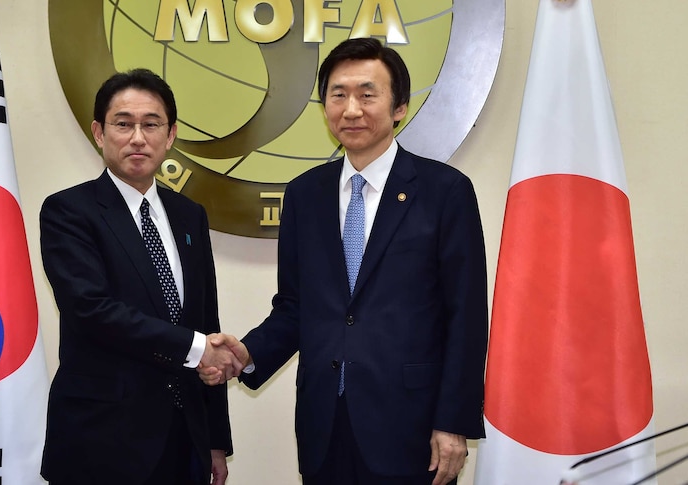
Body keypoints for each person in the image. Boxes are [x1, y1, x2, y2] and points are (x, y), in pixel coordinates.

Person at [201, 38, 489, 485]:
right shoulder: (304, 194)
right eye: (338, 94)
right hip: (325, 424)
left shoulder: (445, 191)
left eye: (367, 94)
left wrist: (452, 422)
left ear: (400, 108)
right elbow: (296, 306)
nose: (351, 109)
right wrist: (247, 354)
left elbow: (466, 318)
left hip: (412, 427)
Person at [39, 68, 240, 485]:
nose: (137, 137)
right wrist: (196, 346)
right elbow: (90, 310)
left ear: (170, 136)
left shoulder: (190, 215)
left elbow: (206, 320)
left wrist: (215, 439)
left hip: (183, 441)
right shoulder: (68, 212)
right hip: (101, 441)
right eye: (123, 123)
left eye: (151, 124)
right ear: (99, 132)